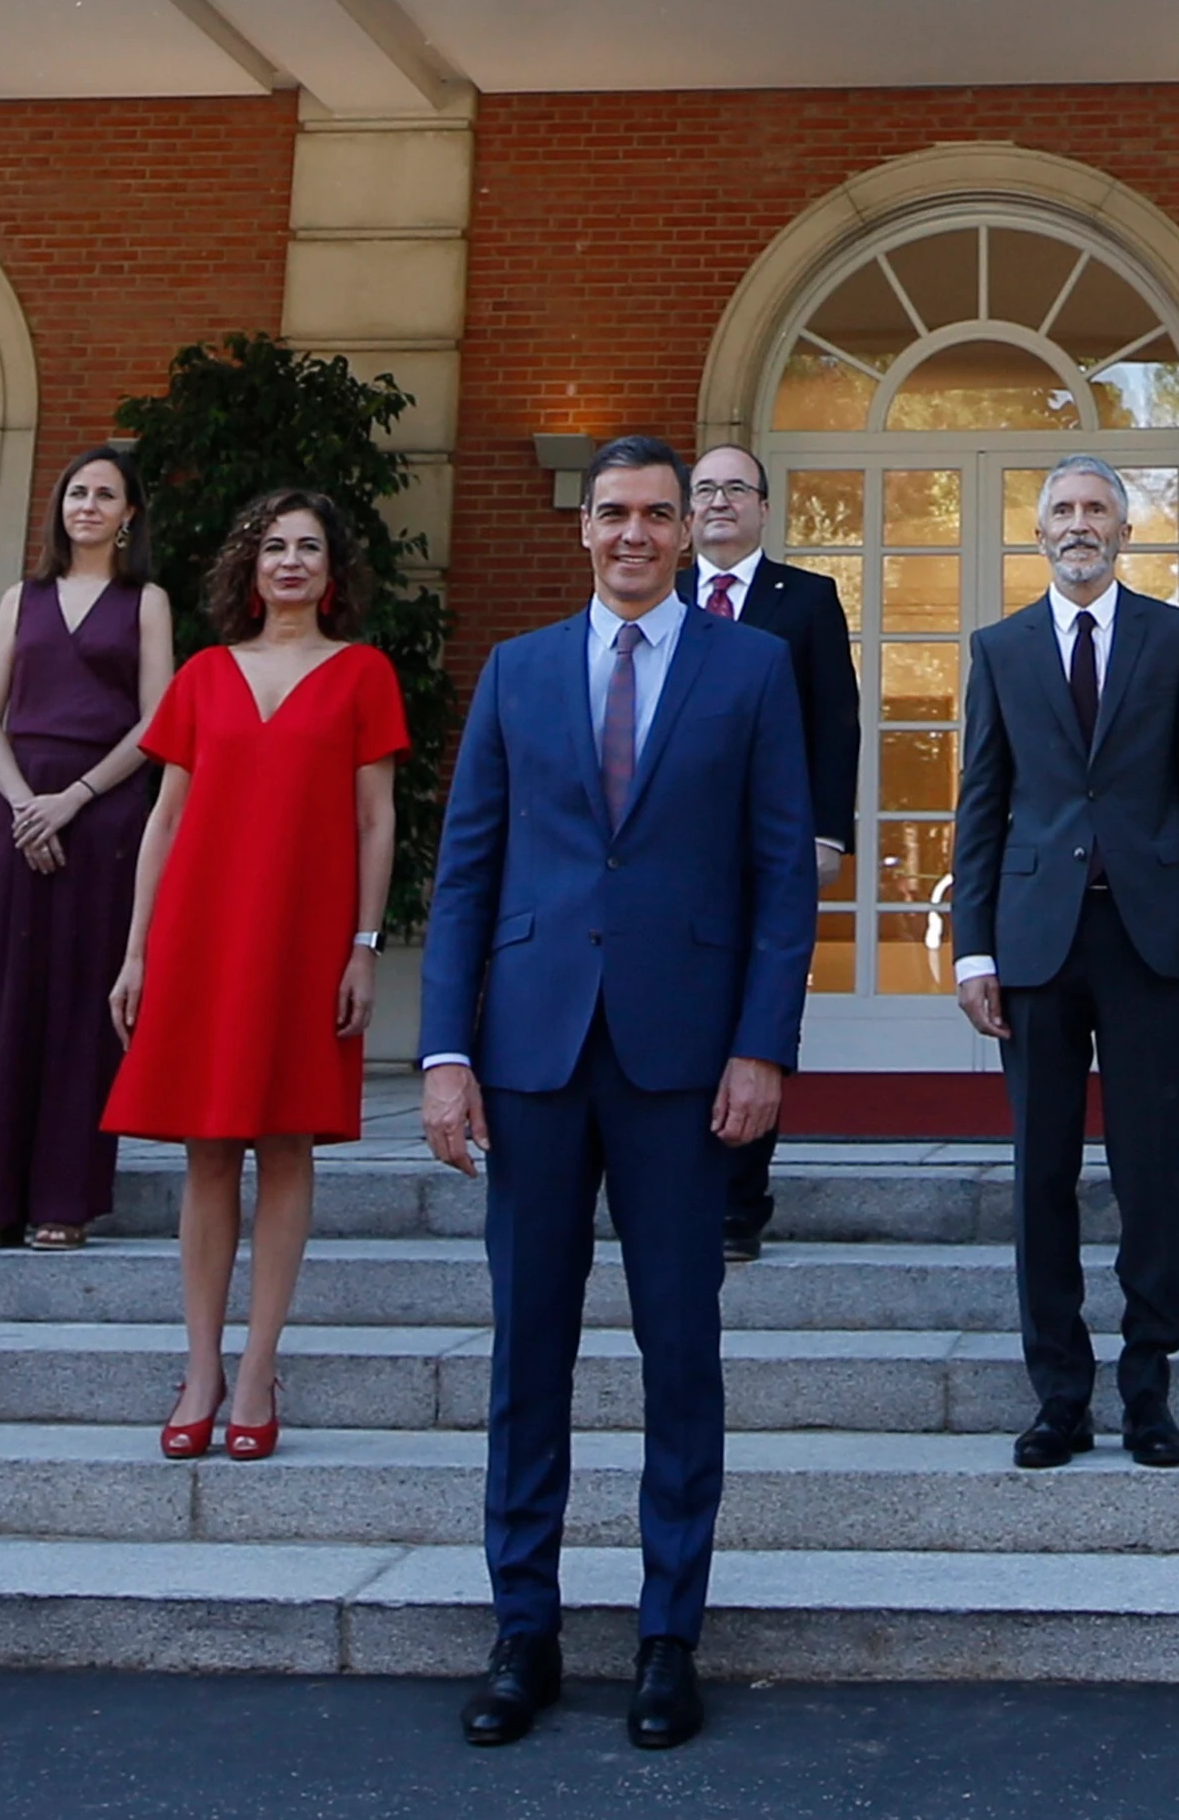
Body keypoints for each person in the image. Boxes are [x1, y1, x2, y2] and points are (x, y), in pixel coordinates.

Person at [419, 436, 813, 1754]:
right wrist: (441, 1051)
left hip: (682, 1062)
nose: (637, 531)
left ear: (686, 530)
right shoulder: (519, 669)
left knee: (678, 1353)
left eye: (658, 512)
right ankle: (520, 1627)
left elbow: (780, 876)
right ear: (583, 528)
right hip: (529, 1054)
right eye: (615, 512)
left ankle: (664, 1632)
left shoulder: (750, 667)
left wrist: (762, 1044)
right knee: (527, 1352)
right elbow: (465, 868)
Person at [952, 454, 1179, 1473]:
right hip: (1034, 940)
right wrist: (972, 948)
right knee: (1040, 1172)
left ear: (1125, 532)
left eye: (1097, 510)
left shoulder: (1176, 640)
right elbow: (980, 803)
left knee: (1147, 1167)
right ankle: (1059, 1395)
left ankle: (1148, 1389)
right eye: (1063, 511)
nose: (1080, 525)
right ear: (1038, 535)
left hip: (1148, 933)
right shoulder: (999, 649)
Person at [101, 490, 403, 1462]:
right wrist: (137, 948)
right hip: (199, 933)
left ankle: (261, 1366)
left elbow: (374, 821)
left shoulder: (362, 675)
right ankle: (200, 1366)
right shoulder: (200, 674)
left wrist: (363, 943)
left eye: (309, 547)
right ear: (250, 565)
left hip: (306, 936)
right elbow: (163, 820)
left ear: (333, 572)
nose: (290, 562)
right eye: (273, 546)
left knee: (283, 1144)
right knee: (202, 1147)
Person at [0, 444, 174, 1252]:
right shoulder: (24, 596)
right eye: (76, 492)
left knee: (84, 1002)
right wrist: (24, 806)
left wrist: (75, 800)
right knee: (9, 997)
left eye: (105, 494)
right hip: (18, 809)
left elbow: (157, 720)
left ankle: (66, 1198)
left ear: (128, 516)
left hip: (106, 812)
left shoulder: (144, 601)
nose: (86, 504)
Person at [686, 443, 858, 1264]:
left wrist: (830, 832)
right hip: (666, 853)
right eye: (705, 489)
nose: (719, 502)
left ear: (762, 507)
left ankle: (737, 1206)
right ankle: (673, 1186)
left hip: (770, 845)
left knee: (756, 1019)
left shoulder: (808, 599)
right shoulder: (659, 591)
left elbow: (836, 722)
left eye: (735, 489)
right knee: (677, 1019)